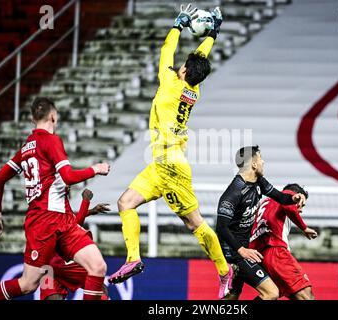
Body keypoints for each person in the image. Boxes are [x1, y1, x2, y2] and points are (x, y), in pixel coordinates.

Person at [108, 4, 234, 299]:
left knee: (195, 224)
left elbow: (166, 50)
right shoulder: (194, 90)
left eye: (183, 66)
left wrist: (177, 26)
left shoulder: (169, 84)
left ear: (185, 70)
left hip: (171, 167)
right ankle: (133, 258)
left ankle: (224, 270)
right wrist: (213, 32)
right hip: (161, 163)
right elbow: (200, 59)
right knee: (126, 202)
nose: (179, 66)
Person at [0, 97, 110, 300]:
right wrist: (96, 169)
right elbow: (69, 177)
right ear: (53, 117)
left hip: (63, 221)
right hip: (44, 223)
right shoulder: (51, 141)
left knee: (98, 267)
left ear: (32, 119)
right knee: (28, 284)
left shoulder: (26, 148)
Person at [216, 146, 307, 300]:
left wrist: (294, 198)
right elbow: (221, 228)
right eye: (260, 158)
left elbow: (281, 197)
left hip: (244, 249)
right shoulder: (233, 193)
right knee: (271, 292)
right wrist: (241, 251)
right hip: (233, 253)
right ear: (253, 164)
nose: (263, 161)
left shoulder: (259, 182)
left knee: (233, 295)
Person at [249, 183, 317, 300]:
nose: (300, 210)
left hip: (260, 257)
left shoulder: (265, 202)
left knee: (270, 295)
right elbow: (288, 204)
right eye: (301, 205)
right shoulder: (286, 195)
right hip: (276, 252)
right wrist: (304, 228)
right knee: (306, 296)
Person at [41, 189, 110, 300]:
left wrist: (90, 211)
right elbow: (71, 227)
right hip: (60, 263)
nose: (68, 187)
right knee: (99, 287)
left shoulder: (46, 204)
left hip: (46, 266)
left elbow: (68, 222)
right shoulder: (54, 203)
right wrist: (85, 201)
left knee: (51, 296)